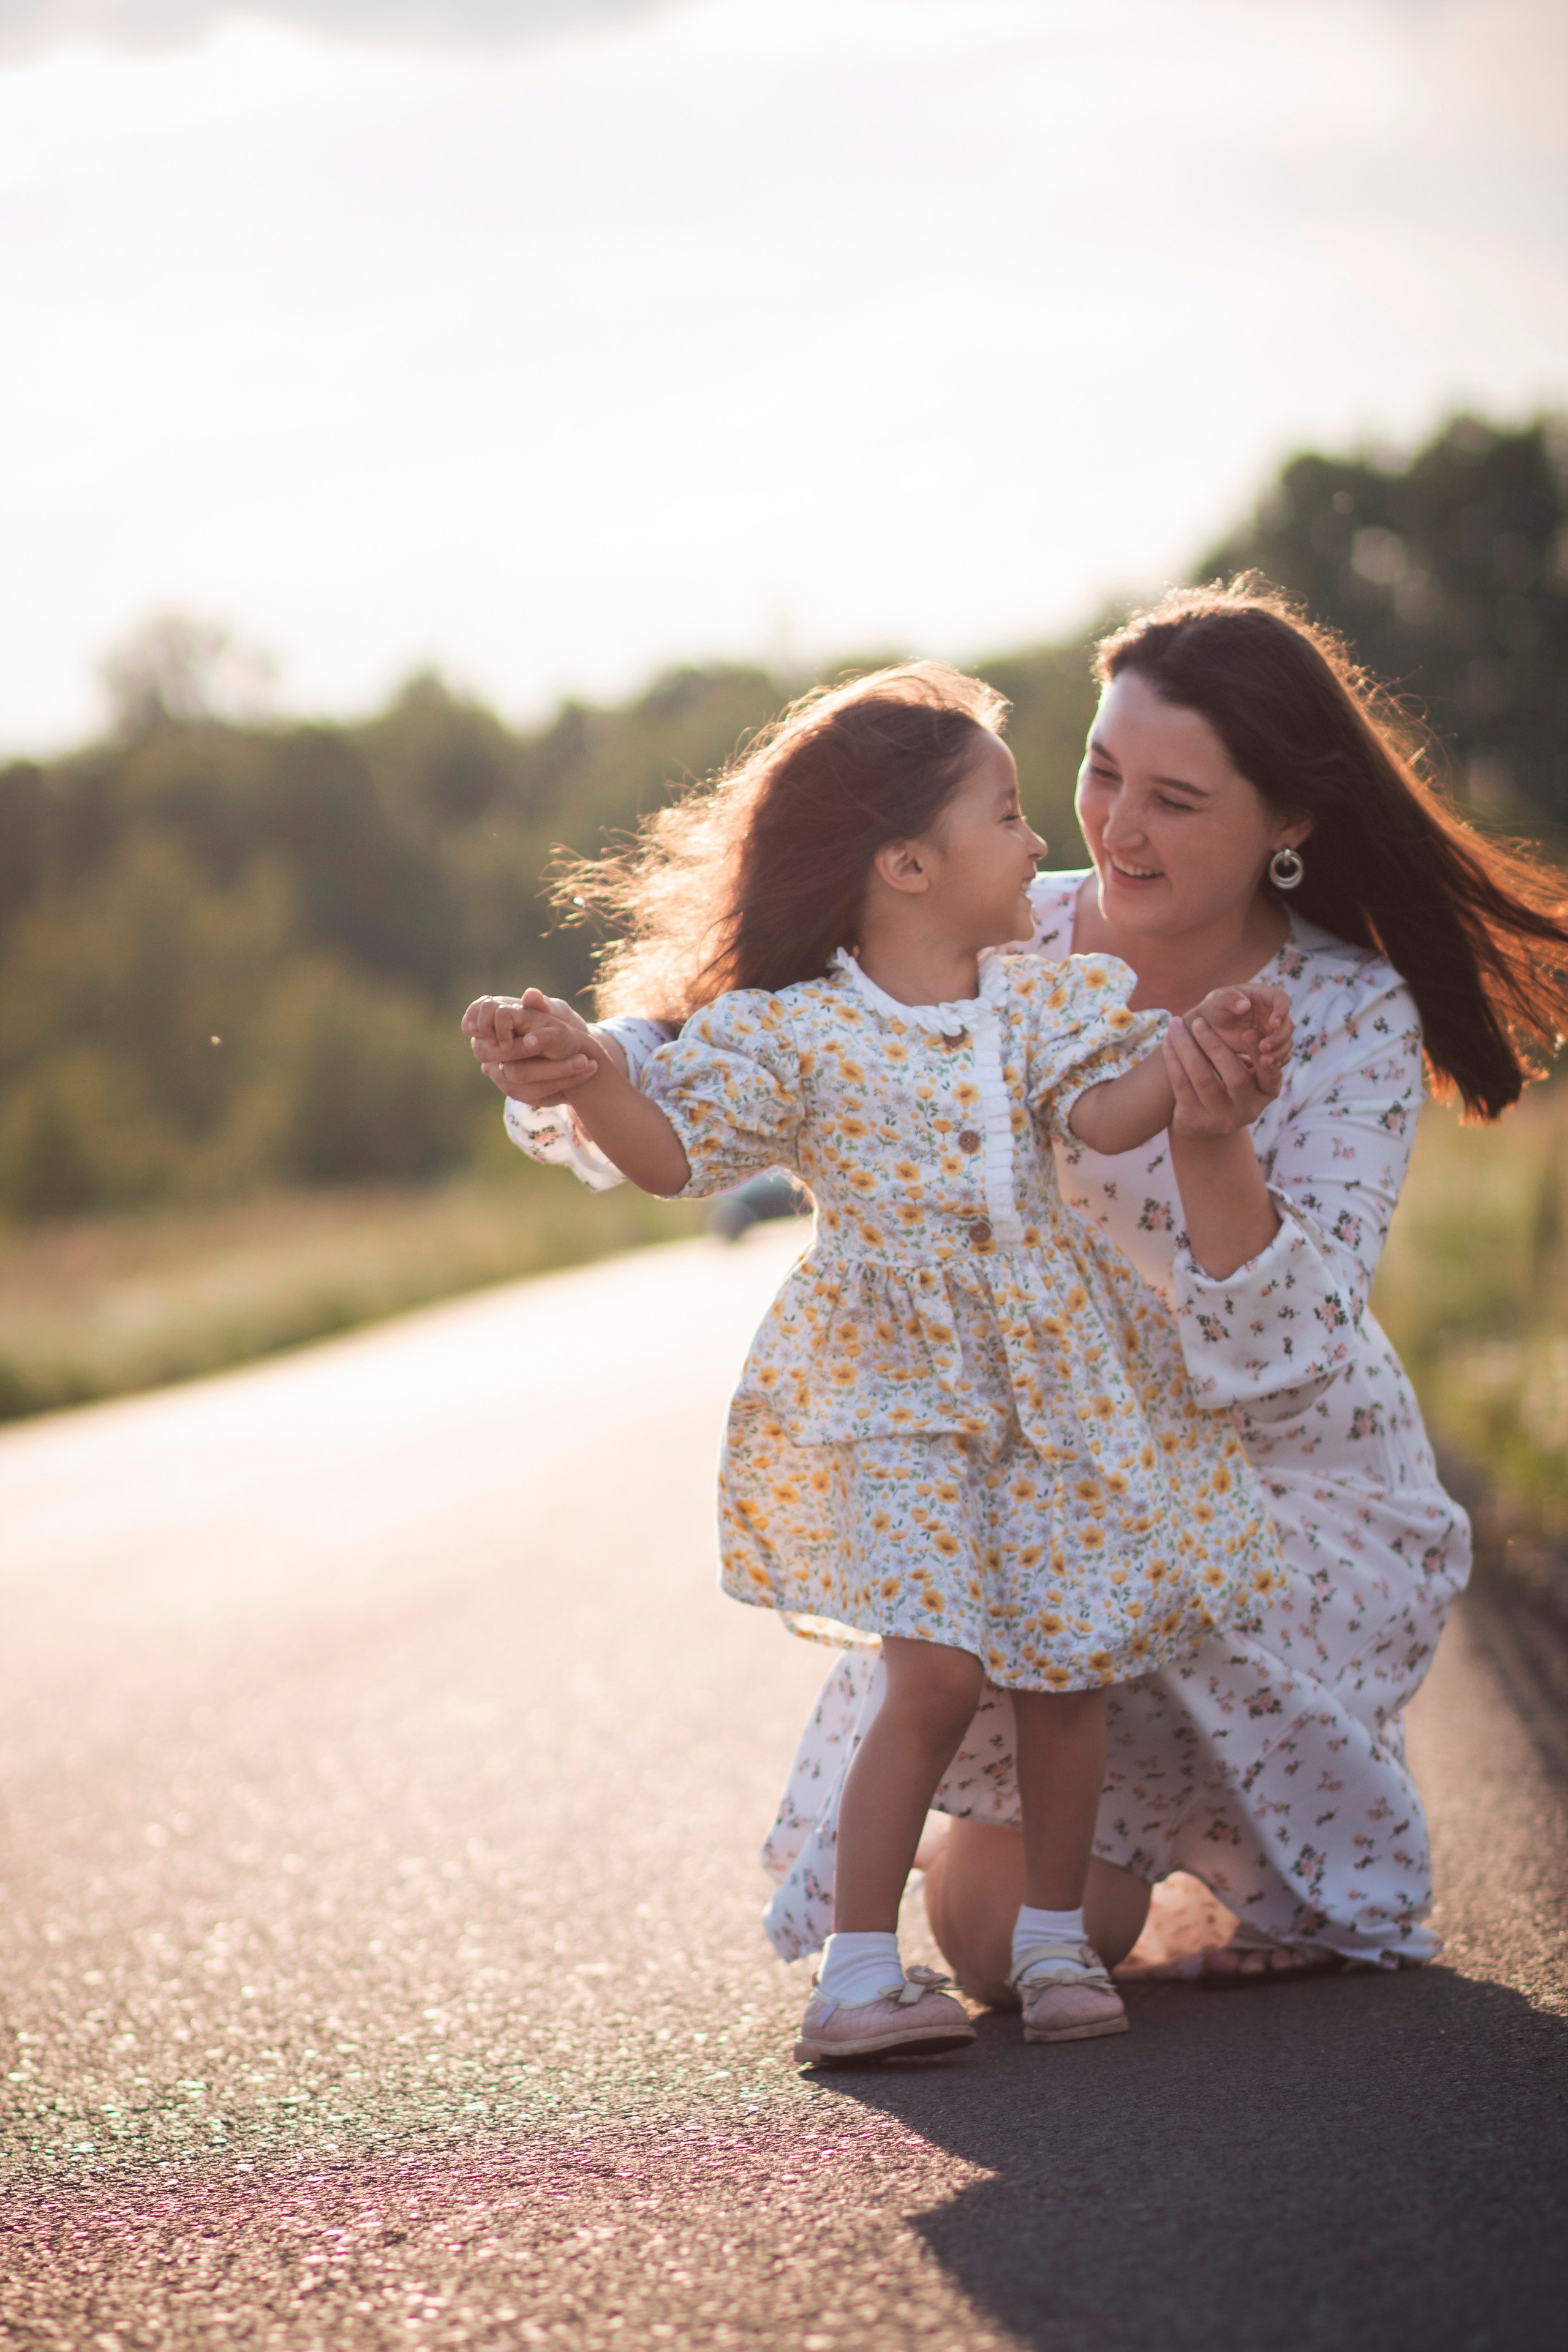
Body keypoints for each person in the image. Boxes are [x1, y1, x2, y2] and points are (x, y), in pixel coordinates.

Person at [478, 584, 1568, 1997]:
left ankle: (1248, 1817)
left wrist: (1210, 1130)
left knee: (1286, 1892)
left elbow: (1293, 1344)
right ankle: (1053, 1880)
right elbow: (761, 1018)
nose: (1112, 827)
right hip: (1042, 1455)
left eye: (1174, 799)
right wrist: (593, 1055)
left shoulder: (1350, 1010)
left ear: (1286, 824)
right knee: (993, 1944)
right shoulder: (1004, 924)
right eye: (1100, 772)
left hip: (1269, 1486)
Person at [466, 660, 1294, 2062]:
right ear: (908, 862)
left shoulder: (1033, 1003)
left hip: (1052, 1380)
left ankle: (1047, 1950)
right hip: (890, 1390)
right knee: (932, 1675)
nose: (1043, 846)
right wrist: (595, 1075)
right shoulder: (795, 1031)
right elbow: (672, 1159)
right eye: (1009, 815)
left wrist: (1202, 1050)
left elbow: (1104, 1115)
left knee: (1066, 1664)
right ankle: (855, 1974)